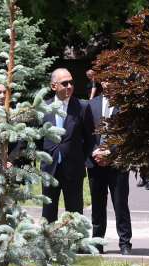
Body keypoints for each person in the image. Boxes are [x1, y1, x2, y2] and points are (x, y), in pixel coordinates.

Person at [41, 68, 93, 223]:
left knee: (74, 214)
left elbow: (89, 138)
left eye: (71, 82)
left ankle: (75, 239)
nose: (69, 86)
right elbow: (37, 139)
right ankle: (49, 239)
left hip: (73, 170)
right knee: (48, 214)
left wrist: (83, 161)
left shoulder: (82, 107)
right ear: (54, 86)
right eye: (65, 83)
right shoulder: (43, 108)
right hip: (49, 170)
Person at [84, 85, 132, 254]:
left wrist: (110, 152)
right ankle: (97, 243)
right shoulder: (91, 104)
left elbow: (127, 134)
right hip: (95, 163)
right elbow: (86, 133)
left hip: (117, 163)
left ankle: (125, 243)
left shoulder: (125, 104)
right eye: (104, 80)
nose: (108, 83)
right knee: (97, 205)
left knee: (120, 204)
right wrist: (95, 152)